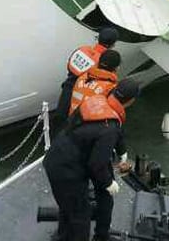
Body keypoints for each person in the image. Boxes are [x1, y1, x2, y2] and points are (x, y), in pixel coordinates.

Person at [44, 79, 140, 241]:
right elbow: (97, 164)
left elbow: (113, 128)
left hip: (63, 154)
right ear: (131, 100)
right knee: (79, 215)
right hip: (66, 169)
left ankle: (100, 235)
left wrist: (122, 151)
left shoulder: (97, 101)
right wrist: (108, 183)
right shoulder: (109, 128)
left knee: (91, 202)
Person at [57, 27, 118, 121]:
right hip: (81, 96)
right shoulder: (102, 61)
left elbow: (70, 64)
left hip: (66, 89)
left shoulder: (82, 49)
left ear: (98, 38)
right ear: (113, 44)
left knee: (59, 118)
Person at [68, 49, 120, 117]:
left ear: (98, 61)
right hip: (86, 123)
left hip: (72, 118)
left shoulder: (82, 77)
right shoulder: (110, 88)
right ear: (116, 68)